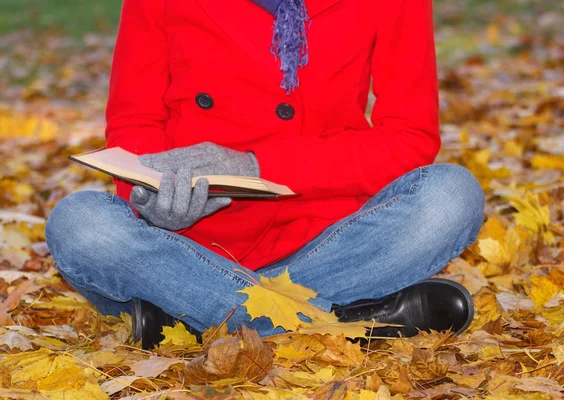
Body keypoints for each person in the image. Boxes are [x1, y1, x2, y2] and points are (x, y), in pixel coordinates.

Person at [45, 0, 485, 349]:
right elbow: (134, 123)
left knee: (452, 196)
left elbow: (409, 138)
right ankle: (343, 318)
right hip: (188, 247)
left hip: (330, 240)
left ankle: (196, 320)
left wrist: (257, 164)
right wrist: (154, 199)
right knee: (80, 223)